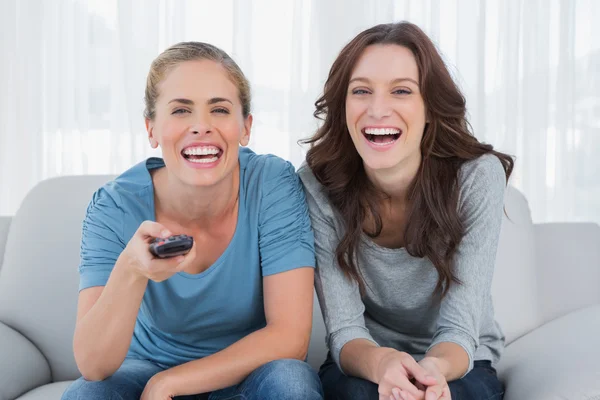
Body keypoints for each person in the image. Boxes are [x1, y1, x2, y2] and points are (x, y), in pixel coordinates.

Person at [62, 41, 323, 400]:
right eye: (181, 111)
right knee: (86, 395)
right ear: (151, 128)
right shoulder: (115, 205)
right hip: (147, 365)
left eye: (219, 109)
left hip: (250, 369)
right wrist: (131, 270)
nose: (201, 126)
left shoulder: (271, 183)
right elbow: (93, 366)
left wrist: (169, 383)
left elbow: (290, 337)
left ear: (245, 127)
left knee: (291, 383)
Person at [298, 22, 513, 400]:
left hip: (458, 360)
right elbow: (345, 329)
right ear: (342, 106)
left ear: (430, 107)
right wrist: (384, 366)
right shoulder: (318, 185)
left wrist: (432, 374)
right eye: (361, 91)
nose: (378, 109)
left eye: (401, 91)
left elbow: (460, 329)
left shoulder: (477, 176)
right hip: (368, 359)